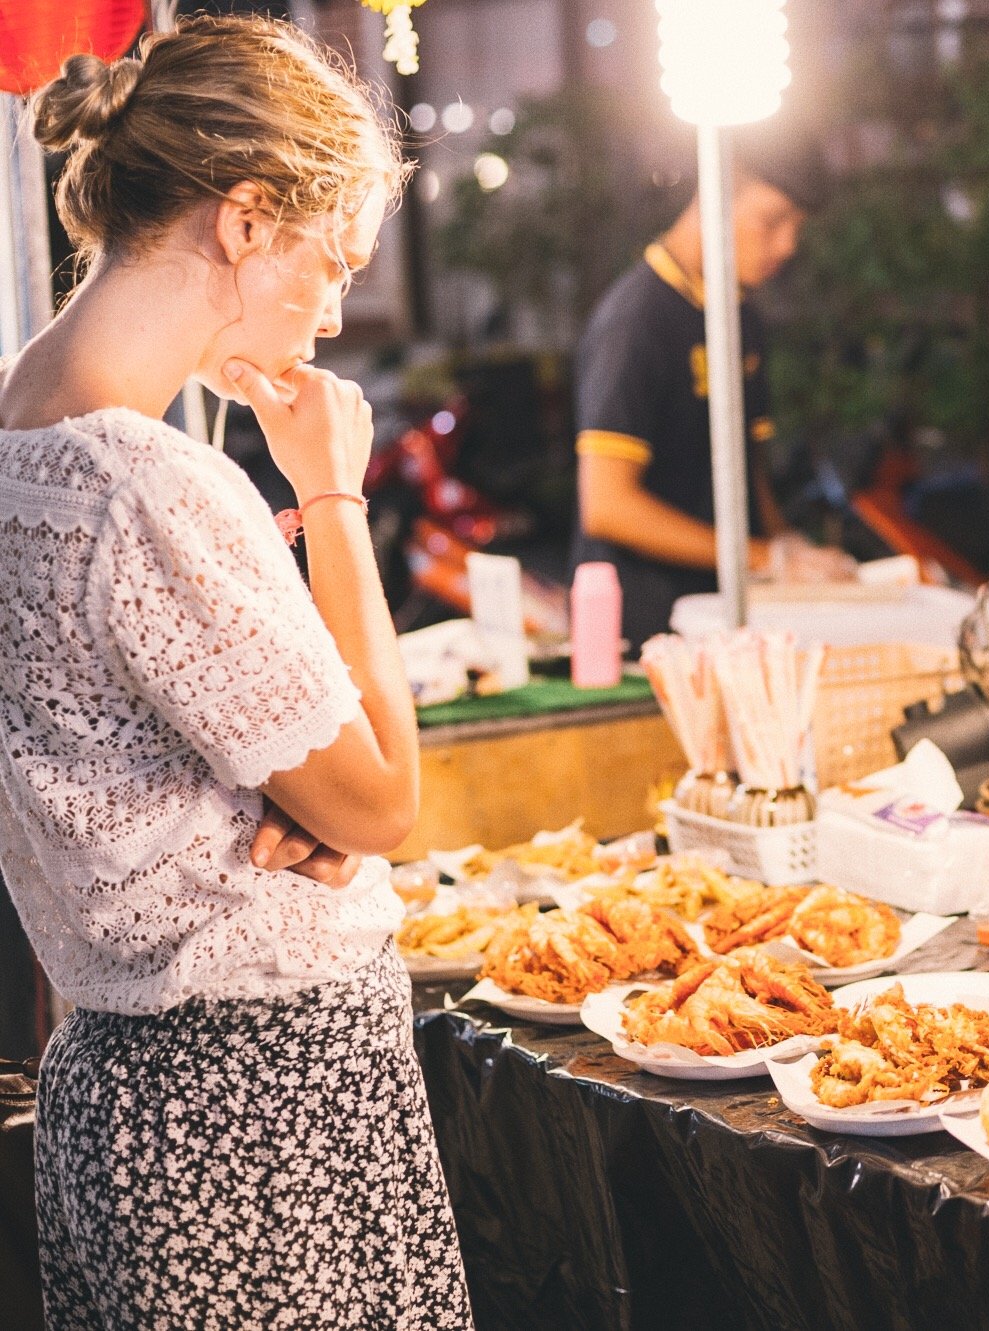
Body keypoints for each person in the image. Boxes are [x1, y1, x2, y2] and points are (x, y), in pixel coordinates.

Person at [1, 19, 470, 1328]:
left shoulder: (19, 436)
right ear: (249, 218)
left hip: (119, 1095)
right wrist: (331, 488)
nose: (330, 313)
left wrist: (276, 807)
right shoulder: (144, 484)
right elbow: (379, 803)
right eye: (332, 264)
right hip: (253, 1102)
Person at [571, 129, 852, 645]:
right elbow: (607, 506)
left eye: (798, 228)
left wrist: (790, 548)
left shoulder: (741, 317)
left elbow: (751, 474)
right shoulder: (637, 321)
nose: (787, 245)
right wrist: (766, 557)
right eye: (772, 221)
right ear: (712, 198)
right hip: (647, 634)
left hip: (727, 621)